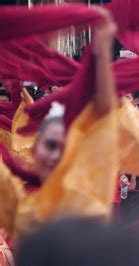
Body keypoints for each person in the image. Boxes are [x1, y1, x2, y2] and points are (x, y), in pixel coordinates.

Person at [0, 7, 119, 241]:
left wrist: (102, 53)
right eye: (49, 145)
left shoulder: (87, 192)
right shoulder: (20, 199)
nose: (55, 154)